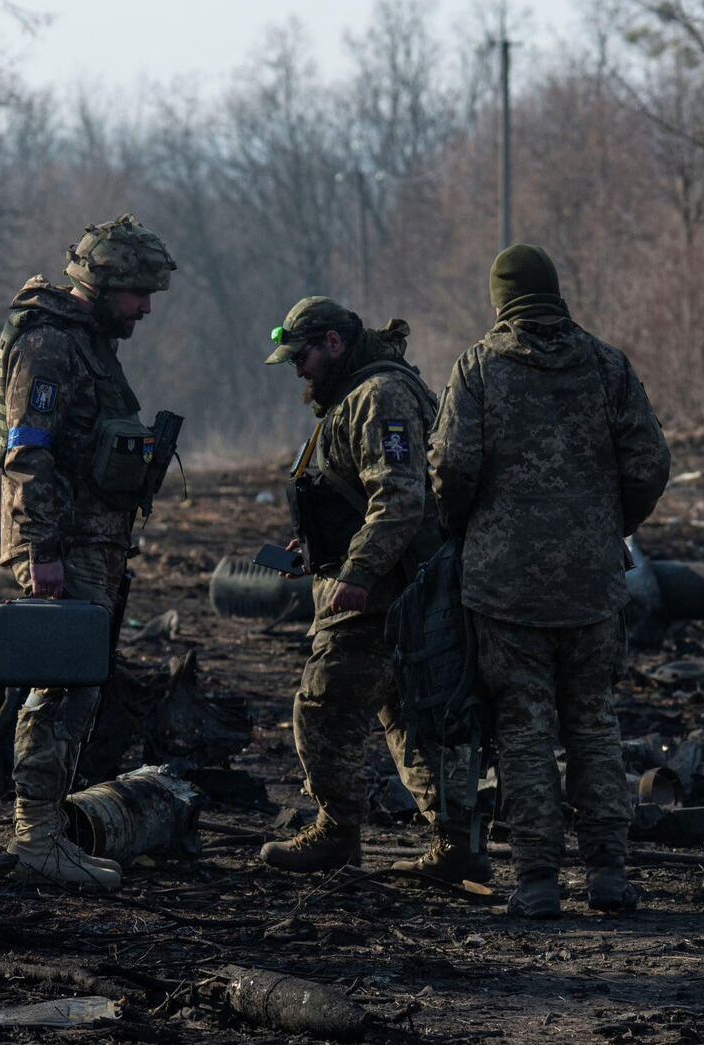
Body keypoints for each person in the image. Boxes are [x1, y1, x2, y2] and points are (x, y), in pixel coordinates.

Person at [429, 244, 670, 918]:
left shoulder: (478, 368)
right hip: (592, 581)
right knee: (592, 721)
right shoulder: (605, 364)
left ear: (499, 297)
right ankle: (608, 874)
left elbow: (450, 464)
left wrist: (464, 525)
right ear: (554, 291)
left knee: (523, 726)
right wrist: (608, 522)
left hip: (504, 586)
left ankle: (536, 881)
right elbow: (649, 460)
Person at [258, 296, 489, 883]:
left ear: (334, 342)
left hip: (386, 588)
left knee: (325, 703)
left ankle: (337, 833)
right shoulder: (353, 397)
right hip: (385, 581)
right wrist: (318, 554)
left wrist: (357, 574)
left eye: (302, 355)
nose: (298, 369)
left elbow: (401, 496)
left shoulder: (379, 395)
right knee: (406, 715)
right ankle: (455, 845)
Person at [0, 214, 176, 890]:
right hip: (61, 544)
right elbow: (26, 450)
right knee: (60, 688)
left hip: (90, 541)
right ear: (106, 283)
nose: (145, 308)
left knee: (79, 686)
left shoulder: (89, 344)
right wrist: (43, 550)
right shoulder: (52, 346)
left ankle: (49, 827)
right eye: (137, 293)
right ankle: (35, 838)